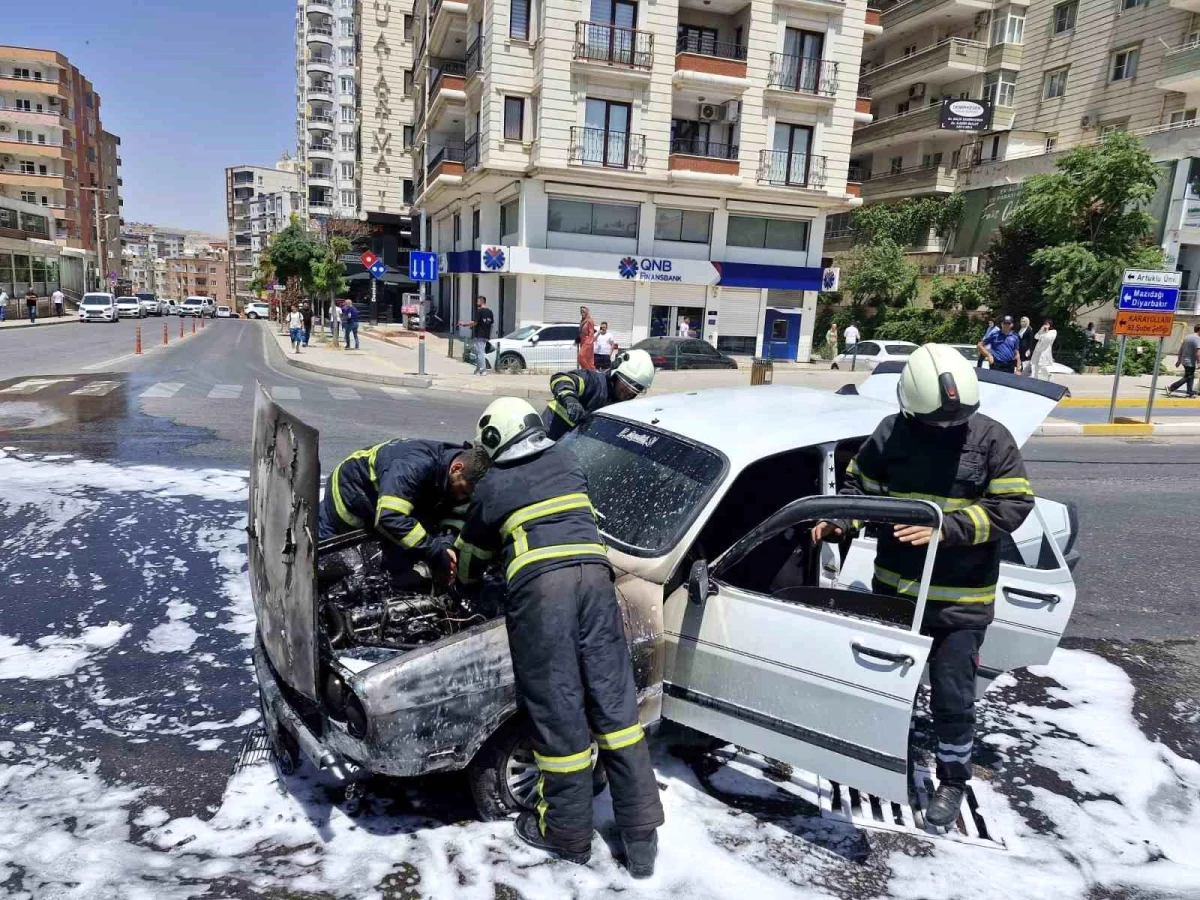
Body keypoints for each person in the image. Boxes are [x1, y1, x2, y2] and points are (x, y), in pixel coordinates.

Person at [811, 343, 1034, 831]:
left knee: (953, 697)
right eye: (935, 423)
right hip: (897, 594)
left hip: (961, 603)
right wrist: (840, 522)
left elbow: (1014, 507)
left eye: (954, 423)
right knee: (892, 687)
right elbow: (859, 490)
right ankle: (891, 755)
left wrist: (945, 529)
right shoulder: (892, 433)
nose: (946, 429)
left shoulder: (993, 439)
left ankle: (953, 778)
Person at [455, 397, 664, 875]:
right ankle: (642, 840)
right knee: (615, 706)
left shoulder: (493, 487)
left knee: (559, 707)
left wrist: (465, 585)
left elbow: (469, 559)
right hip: (596, 583)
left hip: (543, 596)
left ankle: (567, 834)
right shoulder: (568, 459)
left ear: (493, 442)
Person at [320, 439, 491, 579]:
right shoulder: (413, 465)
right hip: (346, 504)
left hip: (381, 508)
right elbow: (390, 517)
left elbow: (456, 513)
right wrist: (434, 549)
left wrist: (445, 544)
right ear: (456, 468)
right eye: (461, 490)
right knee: (336, 574)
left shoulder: (456, 469)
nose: (461, 497)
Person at [542, 349, 656, 440]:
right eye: (626, 384)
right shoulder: (594, 381)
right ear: (615, 375)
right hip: (549, 432)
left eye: (636, 389)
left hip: (569, 445)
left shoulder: (621, 405)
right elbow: (561, 378)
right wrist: (570, 399)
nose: (629, 392)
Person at [458, 296, 494, 376]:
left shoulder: (480, 311)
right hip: (486, 335)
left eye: (478, 301)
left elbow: (474, 322)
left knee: (480, 352)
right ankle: (477, 370)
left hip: (479, 334)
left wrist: (464, 324)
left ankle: (483, 370)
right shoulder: (490, 312)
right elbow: (491, 325)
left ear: (481, 302)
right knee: (479, 352)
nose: (476, 303)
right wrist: (489, 335)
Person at [1167, 323, 1200, 398]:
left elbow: (1181, 349)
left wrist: (1179, 360)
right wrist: (1199, 363)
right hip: (1190, 362)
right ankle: (1172, 388)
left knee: (1190, 376)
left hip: (1184, 360)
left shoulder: (1187, 337)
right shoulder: (1197, 339)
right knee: (1188, 377)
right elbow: (1198, 353)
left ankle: (1190, 392)